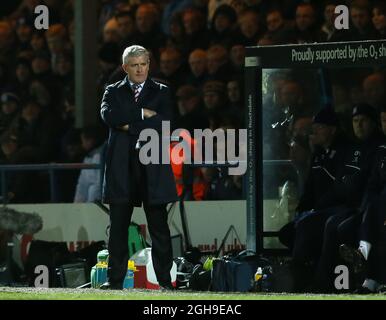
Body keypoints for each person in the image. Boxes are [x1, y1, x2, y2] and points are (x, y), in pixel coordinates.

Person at [100, 45, 178, 290]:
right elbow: (109, 117)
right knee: (118, 229)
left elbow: (164, 123)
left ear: (149, 64)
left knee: (159, 228)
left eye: (143, 64)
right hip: (122, 168)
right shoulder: (112, 91)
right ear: (125, 67)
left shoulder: (162, 92)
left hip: (152, 166)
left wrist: (128, 124)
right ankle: (114, 283)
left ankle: (165, 283)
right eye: (134, 65)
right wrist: (143, 114)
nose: (140, 69)